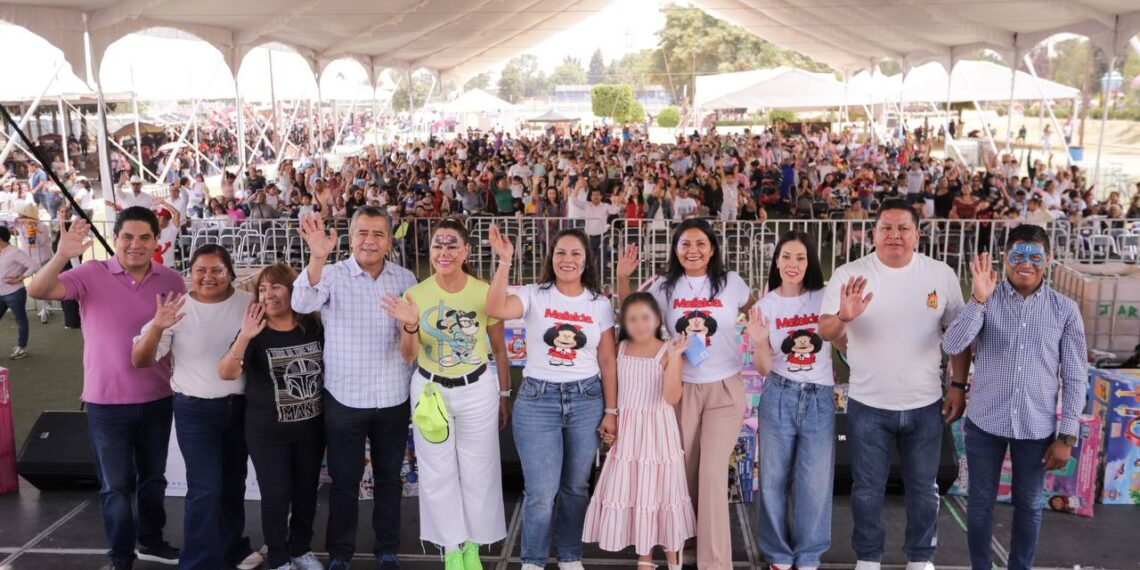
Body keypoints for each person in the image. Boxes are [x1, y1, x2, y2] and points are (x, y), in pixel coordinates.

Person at [27, 208, 185, 570]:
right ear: (115, 239)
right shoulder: (90, 273)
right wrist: (61, 255)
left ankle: (152, 541)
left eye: (144, 237)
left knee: (153, 479)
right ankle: (120, 557)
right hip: (106, 403)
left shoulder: (172, 279)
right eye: (127, 237)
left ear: (156, 241)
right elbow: (38, 289)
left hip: (159, 398)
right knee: (115, 486)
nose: (135, 245)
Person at [818, 200, 970, 570]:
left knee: (924, 488)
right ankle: (868, 557)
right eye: (886, 227)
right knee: (867, 489)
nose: (894, 235)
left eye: (903, 228)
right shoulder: (850, 274)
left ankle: (920, 557)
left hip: (925, 403)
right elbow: (825, 330)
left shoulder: (940, 275)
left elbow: (960, 336)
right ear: (873, 233)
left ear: (917, 234)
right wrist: (844, 317)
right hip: (868, 404)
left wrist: (958, 385)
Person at [942, 226, 1087, 570]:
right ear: (1005, 257)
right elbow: (952, 345)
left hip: (1037, 428)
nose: (1026, 263)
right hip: (985, 423)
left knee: (1030, 506)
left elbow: (1076, 375)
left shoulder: (1065, 310)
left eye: (1035, 256)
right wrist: (978, 299)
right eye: (1018, 255)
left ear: (1048, 260)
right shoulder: (985, 299)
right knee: (980, 504)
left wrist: (1067, 435)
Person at [617, 218, 755, 570]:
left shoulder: (732, 283)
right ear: (676, 249)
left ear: (712, 248)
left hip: (725, 389)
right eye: (685, 244)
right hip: (681, 389)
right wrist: (622, 279)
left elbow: (756, 310)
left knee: (711, 473)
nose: (693, 251)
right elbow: (635, 316)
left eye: (700, 244)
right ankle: (686, 540)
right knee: (684, 470)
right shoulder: (664, 286)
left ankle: (715, 563)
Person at [485, 225, 618, 570]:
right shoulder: (534, 294)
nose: (567, 259)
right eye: (561, 252)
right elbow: (495, 307)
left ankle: (570, 556)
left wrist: (611, 410)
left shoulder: (599, 304)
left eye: (575, 253)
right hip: (537, 401)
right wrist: (504, 261)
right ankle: (533, 560)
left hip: (587, 400)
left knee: (575, 487)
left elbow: (607, 360)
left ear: (586, 260)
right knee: (541, 492)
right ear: (551, 258)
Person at [291, 208, 417, 570]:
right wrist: (317, 256)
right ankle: (340, 553)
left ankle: (387, 549)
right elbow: (301, 303)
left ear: (390, 240)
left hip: (393, 396)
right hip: (345, 399)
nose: (369, 241)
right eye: (362, 233)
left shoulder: (405, 278)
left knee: (389, 479)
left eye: (378, 234)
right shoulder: (331, 274)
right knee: (344, 482)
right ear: (350, 236)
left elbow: (413, 334)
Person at [381, 219, 511, 570]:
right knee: (437, 471)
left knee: (479, 470)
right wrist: (410, 325)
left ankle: (473, 546)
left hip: (477, 389)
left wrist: (504, 394)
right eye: (438, 245)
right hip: (431, 392)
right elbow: (408, 355)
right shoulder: (415, 294)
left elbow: (499, 349)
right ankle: (452, 548)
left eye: (453, 245)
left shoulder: (484, 292)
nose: (445, 252)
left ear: (466, 250)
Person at [129, 245, 262, 570]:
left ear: (230, 273)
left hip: (241, 408)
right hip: (195, 412)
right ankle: (198, 562)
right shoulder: (176, 308)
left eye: (217, 270)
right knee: (206, 489)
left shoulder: (250, 304)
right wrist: (157, 326)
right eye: (201, 270)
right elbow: (140, 360)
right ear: (190, 273)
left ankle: (232, 549)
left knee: (233, 484)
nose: (208, 277)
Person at [219, 264, 326, 570]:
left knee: (306, 493)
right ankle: (278, 558)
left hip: (311, 430)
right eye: (263, 289)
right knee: (276, 495)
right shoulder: (255, 333)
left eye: (276, 286)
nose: (268, 294)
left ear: (293, 290)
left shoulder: (314, 326)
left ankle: (300, 548)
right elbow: (226, 372)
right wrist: (245, 336)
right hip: (267, 433)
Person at [746, 231, 842, 570]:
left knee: (815, 482)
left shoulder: (825, 297)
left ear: (810, 262)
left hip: (819, 398)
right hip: (779, 394)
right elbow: (763, 367)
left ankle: (809, 555)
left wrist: (845, 319)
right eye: (786, 256)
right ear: (776, 261)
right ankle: (778, 555)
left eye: (800, 258)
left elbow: (842, 341)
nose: (792, 264)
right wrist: (760, 341)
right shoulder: (765, 306)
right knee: (773, 479)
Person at [581, 292, 695, 570]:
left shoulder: (667, 350)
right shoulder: (619, 349)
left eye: (645, 317)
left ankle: (672, 555)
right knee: (636, 491)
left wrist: (675, 358)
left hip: (658, 433)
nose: (639, 324)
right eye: (632, 319)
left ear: (657, 319)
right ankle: (644, 557)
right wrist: (611, 418)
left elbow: (672, 396)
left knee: (662, 492)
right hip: (630, 434)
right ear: (624, 323)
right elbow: (613, 388)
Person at [0, 226, 33, 359]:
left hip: (15, 293)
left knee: (20, 320)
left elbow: (34, 265)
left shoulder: (14, 252)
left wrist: (20, 278)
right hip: (1, 293)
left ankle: (21, 347)